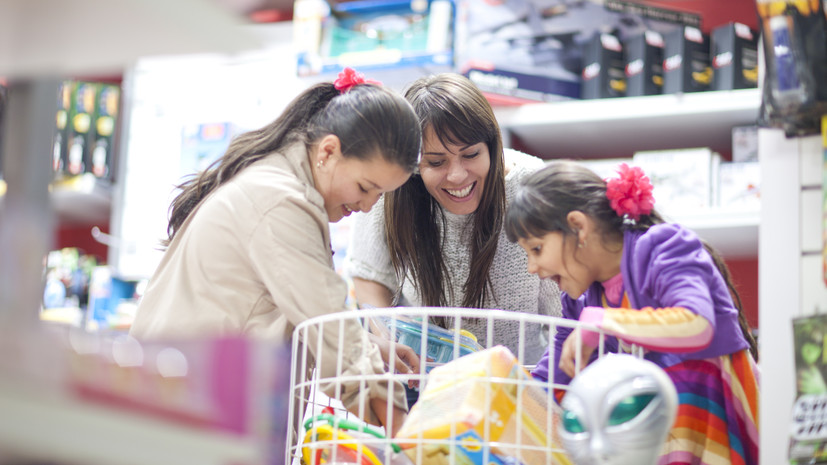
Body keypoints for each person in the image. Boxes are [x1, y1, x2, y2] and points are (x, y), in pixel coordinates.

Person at [128, 68, 422, 435]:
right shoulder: (281, 201)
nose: (366, 206)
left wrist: (372, 346)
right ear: (328, 151)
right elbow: (330, 321)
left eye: (380, 195)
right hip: (184, 416)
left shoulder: (275, 180)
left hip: (190, 409)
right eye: (365, 187)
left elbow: (306, 313)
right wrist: (407, 435)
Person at [504, 161, 759, 465]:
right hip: (664, 427)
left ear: (579, 227)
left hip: (718, 414)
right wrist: (507, 401)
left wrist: (603, 322)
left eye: (536, 249)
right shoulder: (582, 298)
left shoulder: (662, 246)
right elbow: (557, 377)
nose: (533, 268)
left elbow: (697, 325)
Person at [346, 73, 562, 365]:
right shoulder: (391, 188)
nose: (457, 175)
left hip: (521, 381)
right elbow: (368, 275)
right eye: (436, 162)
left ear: (492, 146)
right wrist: (390, 345)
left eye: (471, 154)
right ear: (412, 163)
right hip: (426, 381)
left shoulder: (534, 188)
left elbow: (564, 312)